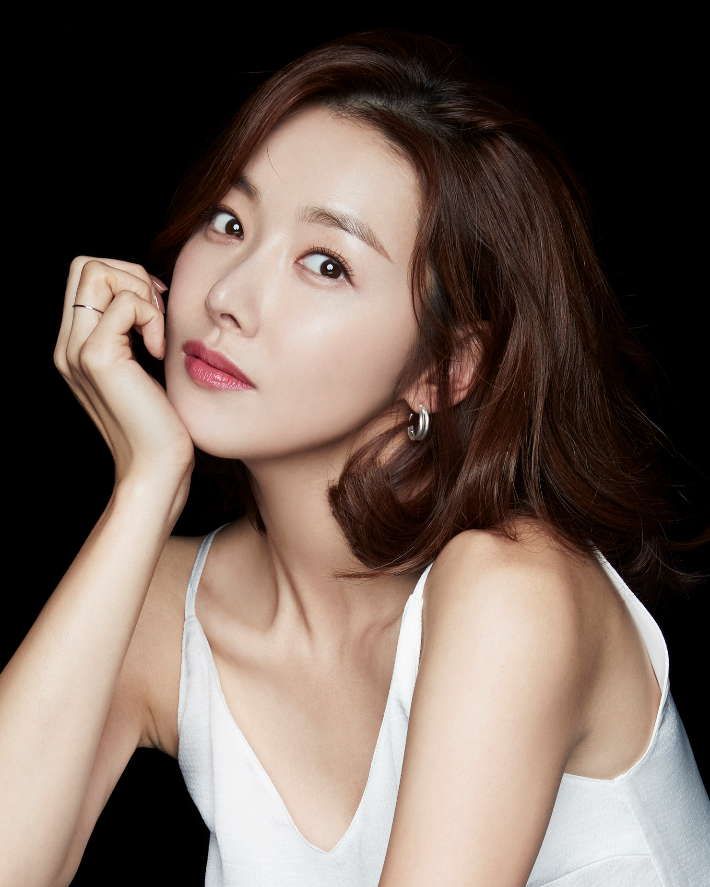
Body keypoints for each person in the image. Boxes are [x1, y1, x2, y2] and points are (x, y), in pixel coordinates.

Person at [1, 30, 708, 887]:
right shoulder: (163, 609)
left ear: (444, 368)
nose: (226, 296)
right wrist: (144, 487)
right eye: (230, 222)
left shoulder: (515, 591)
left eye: (326, 264)